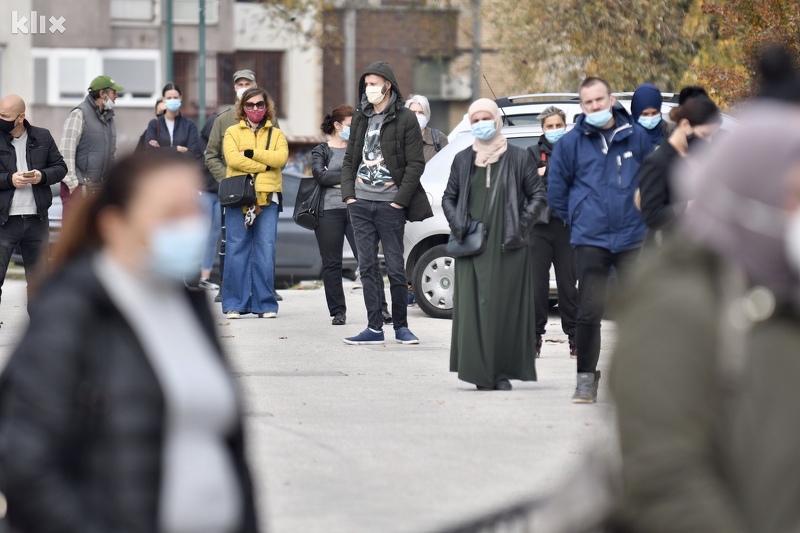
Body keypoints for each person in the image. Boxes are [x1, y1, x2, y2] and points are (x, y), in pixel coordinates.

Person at [0, 151, 259, 532]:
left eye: (194, 212)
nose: (190, 228)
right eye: (171, 215)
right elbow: (25, 464)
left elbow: (228, 449)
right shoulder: (73, 308)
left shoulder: (188, 304)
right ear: (115, 225)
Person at [609, 105, 800, 533]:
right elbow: (664, 477)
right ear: (749, 195)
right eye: (793, 195)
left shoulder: (783, 293)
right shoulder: (676, 308)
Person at [547, 76, 653, 404]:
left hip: (632, 239)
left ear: (611, 99)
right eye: (587, 102)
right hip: (590, 239)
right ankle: (584, 380)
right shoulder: (569, 144)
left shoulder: (636, 136)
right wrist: (578, 218)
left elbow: (653, 179)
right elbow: (557, 191)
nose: (594, 106)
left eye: (599, 100)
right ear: (581, 106)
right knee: (589, 311)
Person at [443, 98, 546, 391]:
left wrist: (520, 225)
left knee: (503, 309)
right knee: (474, 309)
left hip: (508, 246)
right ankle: (478, 372)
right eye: (475, 120)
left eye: (486, 118)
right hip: (472, 246)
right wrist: (458, 223)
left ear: (497, 121)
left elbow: (538, 196)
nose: (481, 125)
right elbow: (448, 197)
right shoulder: (463, 159)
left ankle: (500, 372)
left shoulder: (517, 157)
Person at [340, 60, 432, 345]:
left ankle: (401, 327)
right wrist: (349, 195)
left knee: (394, 267)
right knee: (366, 267)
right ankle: (374, 327)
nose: (369, 89)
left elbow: (416, 164)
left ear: (387, 85)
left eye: (373, 84)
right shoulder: (361, 116)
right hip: (361, 203)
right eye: (366, 84)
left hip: (390, 205)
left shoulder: (404, 118)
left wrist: (399, 201)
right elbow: (350, 159)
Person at [206, 70, 282, 304]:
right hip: (235, 194)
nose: (243, 86)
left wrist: (257, 168)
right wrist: (230, 181)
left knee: (264, 247)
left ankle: (263, 295)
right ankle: (230, 294)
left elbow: (277, 154)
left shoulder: (271, 121)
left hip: (265, 193)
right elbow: (213, 156)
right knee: (232, 244)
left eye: (247, 83)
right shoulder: (224, 120)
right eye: (239, 83)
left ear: (255, 85)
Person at [221, 87, 288, 319]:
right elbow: (232, 159)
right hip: (239, 197)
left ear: (266, 107)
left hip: (268, 198)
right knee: (235, 250)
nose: (255, 109)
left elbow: (281, 158)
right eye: (250, 105)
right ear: (243, 108)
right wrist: (264, 164)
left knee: (266, 251)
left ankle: (265, 304)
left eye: (260, 104)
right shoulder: (231, 131)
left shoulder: (277, 134)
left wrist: (250, 153)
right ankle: (233, 304)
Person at [0, 94, 67, 309]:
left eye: (4, 116)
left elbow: (60, 167)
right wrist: (9, 179)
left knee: (39, 283)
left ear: (21, 117)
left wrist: (42, 176)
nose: (0, 118)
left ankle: (39, 335)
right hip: (4, 222)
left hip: (37, 221)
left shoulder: (42, 137)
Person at [526, 106, 578, 358]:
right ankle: (534, 337)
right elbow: (525, 186)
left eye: (559, 125)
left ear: (565, 126)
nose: (554, 130)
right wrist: (542, 177)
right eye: (550, 126)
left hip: (567, 229)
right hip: (538, 230)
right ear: (543, 129)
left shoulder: (573, 152)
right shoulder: (531, 153)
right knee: (538, 288)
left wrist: (546, 175)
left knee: (569, 287)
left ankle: (575, 338)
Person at [638, 94, 721, 246]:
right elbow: (651, 216)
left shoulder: (702, 159)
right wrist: (687, 206)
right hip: (668, 254)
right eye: (704, 134)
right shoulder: (657, 161)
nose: (708, 141)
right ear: (684, 125)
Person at [311, 105, 361, 326]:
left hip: (357, 209)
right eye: (351, 125)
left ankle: (381, 308)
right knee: (332, 263)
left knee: (366, 259)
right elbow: (320, 176)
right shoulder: (320, 150)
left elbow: (365, 173)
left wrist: (338, 179)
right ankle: (338, 312)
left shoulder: (358, 148)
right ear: (337, 125)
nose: (354, 129)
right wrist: (349, 178)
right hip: (328, 211)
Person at [59, 75, 123, 207]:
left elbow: (111, 155)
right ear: (102, 94)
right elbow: (66, 152)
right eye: (113, 92)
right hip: (78, 190)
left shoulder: (109, 119)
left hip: (98, 192)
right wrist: (72, 184)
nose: (116, 96)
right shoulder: (79, 114)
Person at [145, 82, 202, 161]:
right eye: (169, 98)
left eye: (175, 97)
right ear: (163, 100)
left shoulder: (189, 125)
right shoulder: (154, 124)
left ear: (180, 98)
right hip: (160, 172)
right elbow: (150, 152)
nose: (172, 100)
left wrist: (161, 150)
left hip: (182, 172)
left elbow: (192, 154)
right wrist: (177, 149)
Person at [405, 94, 449, 163]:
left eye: (421, 113)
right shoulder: (398, 138)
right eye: (413, 112)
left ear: (427, 115)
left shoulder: (439, 138)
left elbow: (447, 165)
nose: (417, 116)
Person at [630, 83, 669, 148]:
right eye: (645, 114)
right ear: (636, 113)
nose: (650, 118)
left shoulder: (669, 132)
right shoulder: (625, 135)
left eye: (654, 113)